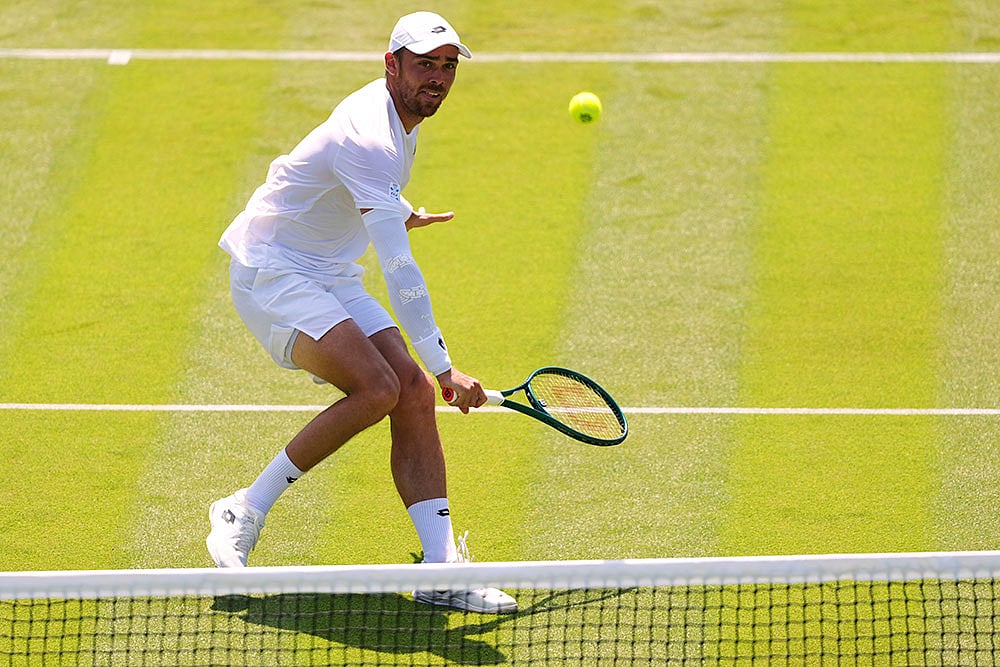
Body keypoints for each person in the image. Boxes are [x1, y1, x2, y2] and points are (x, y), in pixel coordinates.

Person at [206, 11, 516, 614]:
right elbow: (400, 272)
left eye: (448, 66)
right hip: (273, 269)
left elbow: (350, 192)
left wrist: (396, 211)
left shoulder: (404, 116)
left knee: (411, 393)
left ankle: (440, 571)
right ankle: (242, 509)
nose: (439, 78)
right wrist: (446, 366)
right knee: (377, 386)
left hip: (328, 269)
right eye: (425, 64)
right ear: (390, 63)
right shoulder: (369, 135)